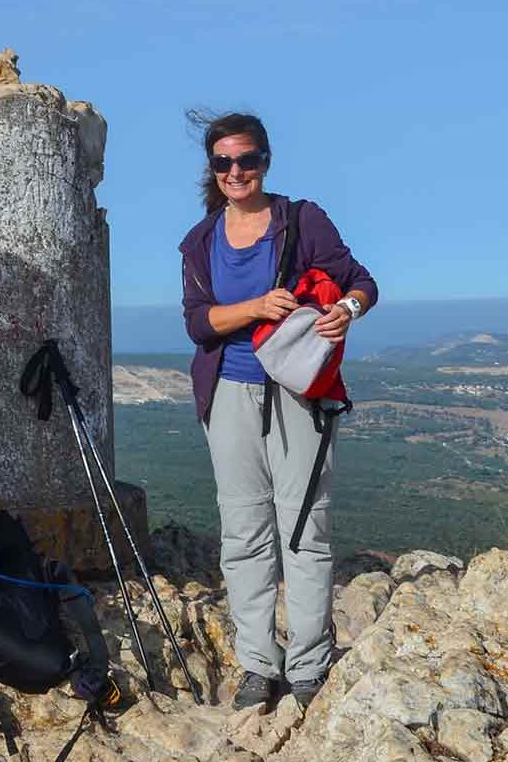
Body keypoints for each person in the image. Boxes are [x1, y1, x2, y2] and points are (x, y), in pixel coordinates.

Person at [177, 112, 377, 712]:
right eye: (223, 163)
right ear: (213, 170)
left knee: (305, 530)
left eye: (247, 160)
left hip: (300, 396)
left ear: (265, 162)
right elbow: (198, 322)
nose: (236, 172)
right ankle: (258, 666)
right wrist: (256, 306)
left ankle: (310, 663)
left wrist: (347, 307)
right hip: (230, 394)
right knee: (243, 532)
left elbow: (361, 281)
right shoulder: (200, 241)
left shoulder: (301, 220)